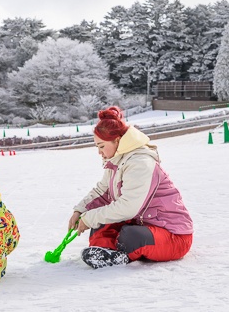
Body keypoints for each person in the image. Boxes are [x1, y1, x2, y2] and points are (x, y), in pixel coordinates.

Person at [69, 106, 193, 269]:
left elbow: (128, 207)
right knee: (101, 223)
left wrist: (89, 218)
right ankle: (102, 250)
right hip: (143, 224)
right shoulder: (117, 160)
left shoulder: (140, 163)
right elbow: (103, 192)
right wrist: (81, 211)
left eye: (101, 146)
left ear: (118, 141)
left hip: (173, 236)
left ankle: (119, 256)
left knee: (129, 235)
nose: (99, 152)